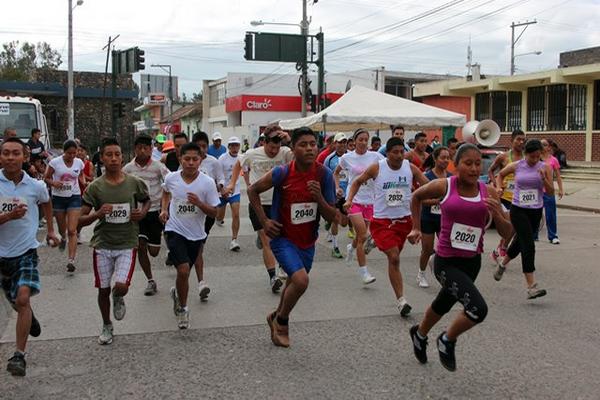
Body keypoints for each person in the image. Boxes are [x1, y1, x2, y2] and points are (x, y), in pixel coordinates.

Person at [407, 143, 513, 371]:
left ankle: (420, 334)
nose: (474, 168)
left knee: (443, 304)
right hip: (445, 261)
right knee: (477, 309)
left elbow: (508, 233)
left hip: (472, 262)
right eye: (468, 163)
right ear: (457, 165)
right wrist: (416, 227)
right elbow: (416, 197)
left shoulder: (488, 192)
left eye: (478, 163)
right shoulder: (445, 186)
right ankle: (447, 339)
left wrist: (497, 215)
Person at [248, 127, 338, 347]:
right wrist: (264, 221)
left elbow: (332, 215)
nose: (309, 148)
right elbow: (253, 190)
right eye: (303, 144)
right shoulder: (283, 172)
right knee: (301, 280)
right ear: (293, 149)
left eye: (312, 144)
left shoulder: (323, 174)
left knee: (293, 282)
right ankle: (282, 321)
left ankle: (275, 316)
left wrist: (319, 197)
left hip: (308, 240)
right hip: (282, 238)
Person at [79, 138, 150, 344]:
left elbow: (146, 200)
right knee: (102, 288)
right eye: (108, 155)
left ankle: (118, 296)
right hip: (103, 245)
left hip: (127, 243)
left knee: (121, 285)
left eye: (117, 154)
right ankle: (106, 325)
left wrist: (142, 213)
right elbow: (78, 222)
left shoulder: (133, 182)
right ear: (101, 158)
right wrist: (97, 214)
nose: (113, 158)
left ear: (122, 157)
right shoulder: (95, 188)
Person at [347, 137, 428, 316]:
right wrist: (349, 199)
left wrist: (443, 195)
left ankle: (373, 241)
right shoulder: (378, 167)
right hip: (382, 222)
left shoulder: (410, 168)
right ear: (388, 153)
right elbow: (357, 182)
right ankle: (401, 300)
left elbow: (428, 187)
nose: (399, 156)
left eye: (402, 152)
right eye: (395, 152)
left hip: (404, 221)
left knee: (395, 256)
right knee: (394, 258)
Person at [1, 137, 59, 376]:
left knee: (23, 299)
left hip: (26, 251)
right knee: (16, 300)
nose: (10, 158)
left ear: (25, 157)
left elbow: (46, 202)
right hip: (1, 255)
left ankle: (19, 355)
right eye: (5, 153)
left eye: (16, 153)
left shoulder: (35, 186)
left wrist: (52, 231)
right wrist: (8, 217)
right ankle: (29, 317)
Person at [226, 124, 293, 293]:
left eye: (277, 147)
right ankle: (273, 277)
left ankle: (282, 264)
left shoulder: (285, 152)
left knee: (283, 238)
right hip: (259, 203)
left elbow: (300, 157)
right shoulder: (252, 154)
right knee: (267, 242)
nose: (274, 151)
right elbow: (238, 165)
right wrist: (232, 183)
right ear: (264, 142)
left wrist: (288, 139)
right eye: (271, 147)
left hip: (280, 202)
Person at [160, 142, 220, 329]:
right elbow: (165, 191)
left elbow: (214, 213)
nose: (191, 163)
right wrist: (164, 209)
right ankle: (184, 309)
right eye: (187, 159)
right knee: (183, 270)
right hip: (174, 230)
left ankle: (178, 295)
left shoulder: (207, 183)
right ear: (180, 159)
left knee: (184, 275)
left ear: (201, 160)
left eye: (195, 159)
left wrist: (200, 204)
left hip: (196, 235)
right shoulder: (172, 178)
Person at [494, 139, 553, 299]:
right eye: (532, 157)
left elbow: (550, 192)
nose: (535, 160)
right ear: (526, 154)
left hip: (535, 211)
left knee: (520, 242)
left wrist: (544, 180)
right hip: (518, 209)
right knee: (528, 244)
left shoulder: (545, 167)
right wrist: (499, 187)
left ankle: (502, 263)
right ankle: (531, 286)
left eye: (537, 156)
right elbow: (500, 175)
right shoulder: (517, 165)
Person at [122, 134, 169, 296]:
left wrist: (166, 207)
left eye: (146, 148)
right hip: (138, 214)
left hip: (155, 212)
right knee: (140, 246)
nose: (142, 151)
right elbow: (121, 186)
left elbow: (169, 184)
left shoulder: (158, 167)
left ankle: (160, 243)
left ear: (151, 149)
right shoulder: (128, 169)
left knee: (154, 251)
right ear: (135, 149)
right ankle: (150, 280)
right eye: (139, 148)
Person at [336, 128, 384, 284]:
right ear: (354, 141)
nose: (363, 142)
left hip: (371, 200)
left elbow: (387, 168)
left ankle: (352, 247)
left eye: (366, 140)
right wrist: (338, 187)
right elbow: (335, 173)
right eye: (360, 139)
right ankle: (364, 273)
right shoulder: (347, 157)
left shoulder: (376, 156)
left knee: (360, 236)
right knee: (363, 235)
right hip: (353, 199)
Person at [190, 131, 225, 300]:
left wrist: (221, 186)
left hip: (209, 209)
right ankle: (199, 280)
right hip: (190, 211)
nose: (202, 150)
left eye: (204, 146)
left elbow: (221, 179)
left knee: (199, 246)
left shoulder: (214, 162)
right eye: (199, 146)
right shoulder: (187, 163)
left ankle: (199, 280)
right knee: (194, 247)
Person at [44, 140, 84, 272]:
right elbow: (46, 177)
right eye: (69, 153)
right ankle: (63, 237)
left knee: (72, 230)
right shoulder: (55, 162)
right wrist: (53, 183)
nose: (72, 155)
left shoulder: (79, 162)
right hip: (59, 198)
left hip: (74, 197)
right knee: (63, 230)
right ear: (63, 151)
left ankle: (71, 260)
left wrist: (85, 183)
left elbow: (81, 175)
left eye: (74, 153)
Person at [488, 129, 525, 263]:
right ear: (512, 140)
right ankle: (503, 247)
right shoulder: (503, 157)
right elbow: (491, 171)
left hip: (520, 198)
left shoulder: (526, 158)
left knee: (515, 227)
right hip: (504, 197)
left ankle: (498, 249)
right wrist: (496, 185)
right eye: (518, 139)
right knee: (511, 223)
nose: (521, 142)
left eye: (523, 140)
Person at [417, 146, 451, 288]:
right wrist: (438, 201)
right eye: (443, 157)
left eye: (448, 158)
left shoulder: (451, 177)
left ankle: (444, 274)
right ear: (435, 159)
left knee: (447, 249)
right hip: (428, 217)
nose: (445, 160)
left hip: (445, 218)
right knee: (427, 248)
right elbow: (420, 199)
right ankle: (422, 274)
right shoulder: (427, 176)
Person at [323, 132, 348, 259]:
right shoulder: (330, 159)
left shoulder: (350, 156)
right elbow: (325, 176)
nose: (342, 145)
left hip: (348, 194)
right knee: (336, 219)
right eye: (340, 142)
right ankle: (335, 247)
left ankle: (330, 223)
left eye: (344, 142)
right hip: (334, 193)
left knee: (344, 222)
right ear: (335, 144)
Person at [217, 136, 243, 252]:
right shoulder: (222, 158)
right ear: (228, 147)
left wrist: (249, 183)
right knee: (219, 216)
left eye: (236, 145)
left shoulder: (242, 158)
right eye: (232, 145)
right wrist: (222, 189)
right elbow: (218, 174)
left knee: (236, 214)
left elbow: (246, 171)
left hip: (235, 191)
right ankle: (219, 219)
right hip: (222, 190)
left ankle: (234, 240)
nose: (234, 147)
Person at [538, 139, 564, 244]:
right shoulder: (536, 158)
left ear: (549, 147)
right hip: (537, 191)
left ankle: (553, 236)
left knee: (551, 214)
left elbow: (558, 176)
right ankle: (534, 235)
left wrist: (561, 189)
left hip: (549, 191)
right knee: (535, 214)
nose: (542, 146)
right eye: (540, 144)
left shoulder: (553, 160)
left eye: (544, 145)